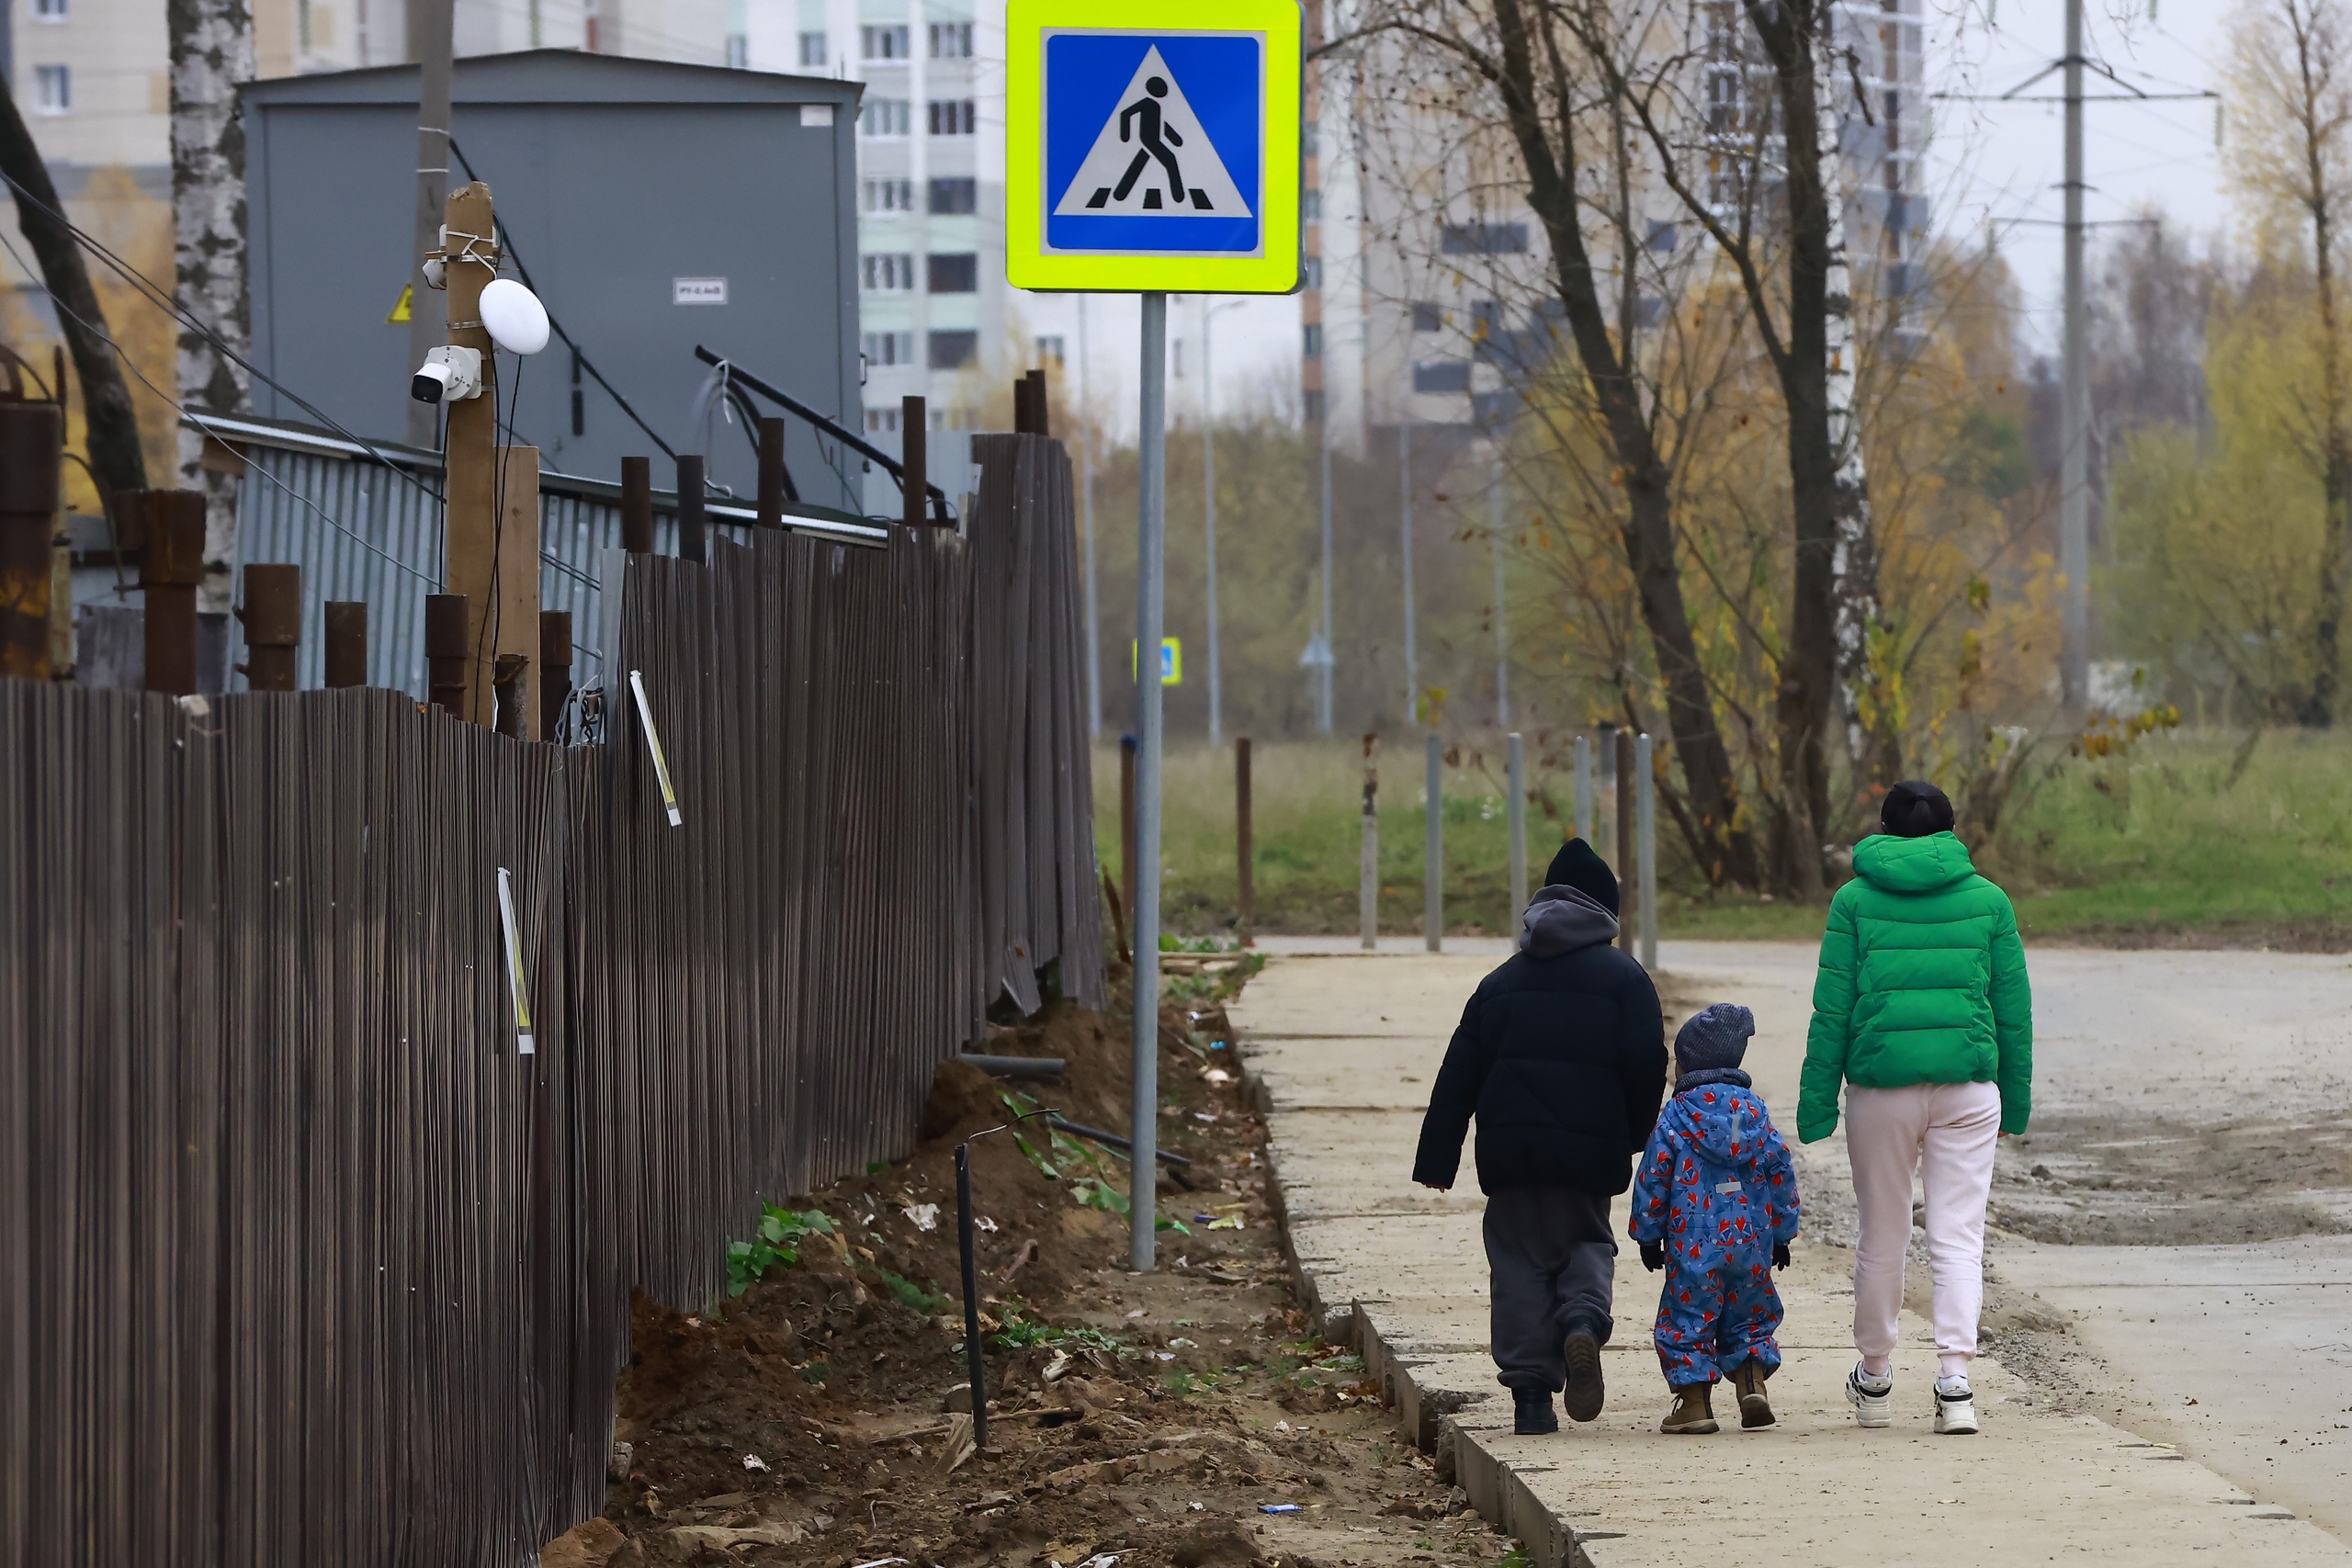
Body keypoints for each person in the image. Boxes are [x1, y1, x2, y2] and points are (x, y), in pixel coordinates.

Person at [1799, 779, 2032, 1438]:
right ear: (1950, 833)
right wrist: (2014, 1101)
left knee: (1884, 1232)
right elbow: (2013, 1012)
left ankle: (1874, 1376)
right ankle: (1955, 1383)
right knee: (1958, 1236)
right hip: (1967, 1088)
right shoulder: (1989, 901)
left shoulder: (1853, 900)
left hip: (1881, 1090)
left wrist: (1816, 1103)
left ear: (1884, 829)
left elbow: (1832, 1009)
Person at [1413, 839, 1668, 1435]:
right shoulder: (1626, 979)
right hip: (1586, 1153)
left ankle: (1531, 1397)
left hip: (1512, 1156)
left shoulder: (1500, 982)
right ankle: (1582, 1319)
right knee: (1585, 1242)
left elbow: (1459, 1073)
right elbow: (1645, 1065)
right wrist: (1635, 1134)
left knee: (1519, 1263)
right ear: (1607, 912)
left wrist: (1437, 1154)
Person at [1630, 1003, 1800, 1436]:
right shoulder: (1755, 1112)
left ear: (1688, 1062)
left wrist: (1647, 1235)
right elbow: (1780, 1170)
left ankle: (1694, 1406)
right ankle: (1751, 1386)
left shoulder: (1675, 1114)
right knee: (1749, 1312)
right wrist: (1782, 1233)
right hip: (1752, 1240)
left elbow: (1654, 1175)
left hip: (1693, 1244)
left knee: (1688, 1316)